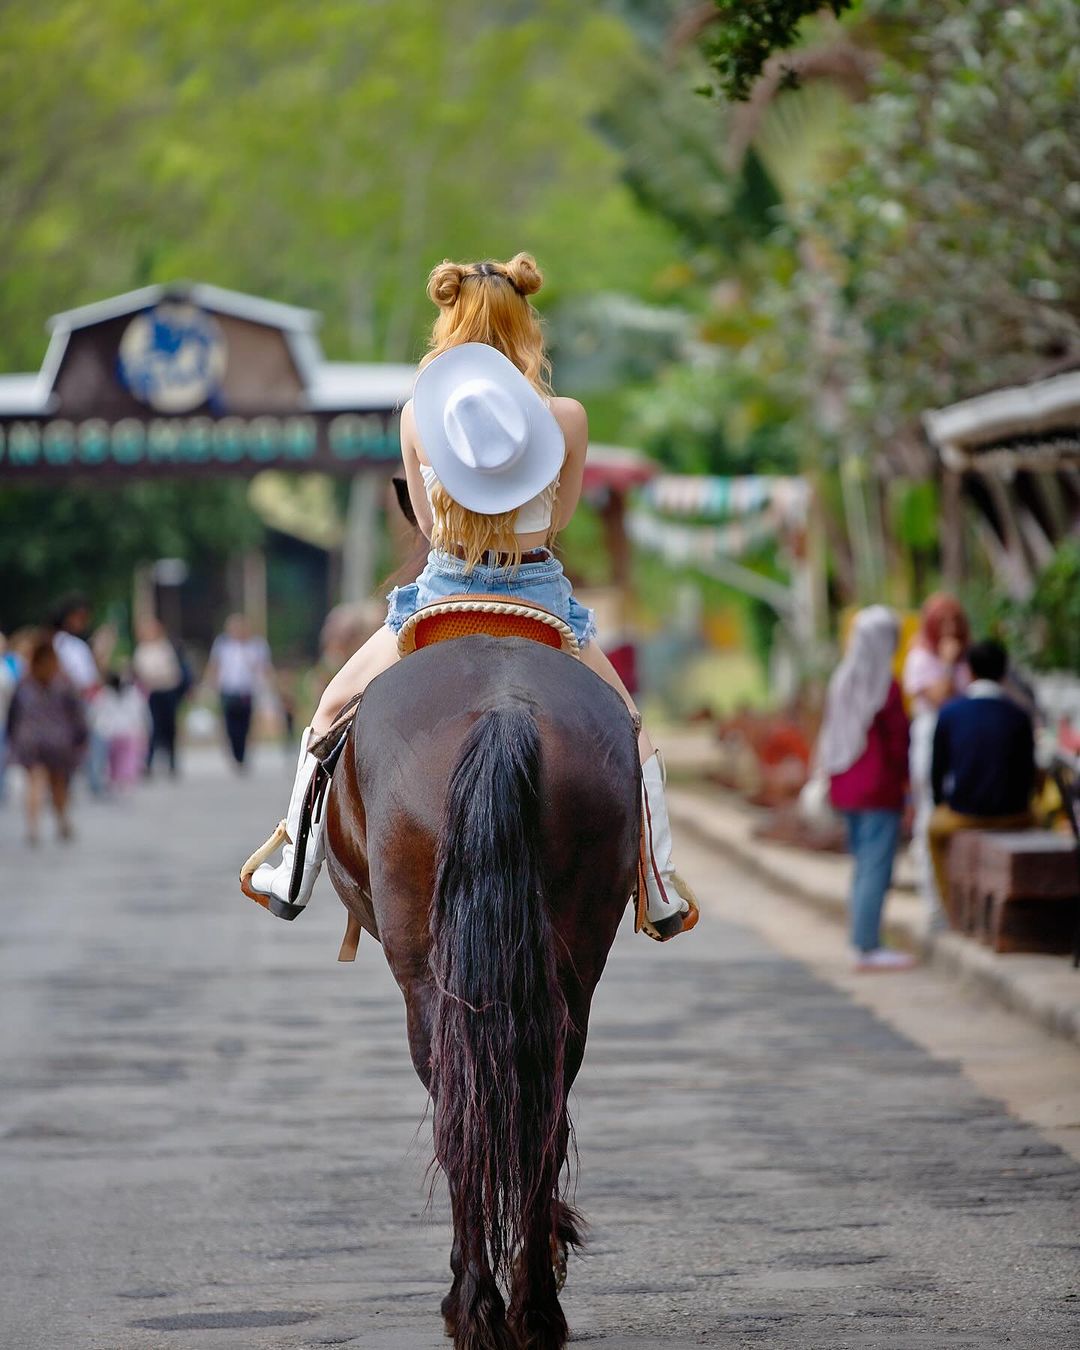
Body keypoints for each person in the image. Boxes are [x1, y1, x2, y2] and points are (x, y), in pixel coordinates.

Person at [243, 252, 695, 940]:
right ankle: (659, 888)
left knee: (331, 709)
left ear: (449, 324)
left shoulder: (419, 416)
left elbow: (426, 526)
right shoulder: (566, 417)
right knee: (633, 733)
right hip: (540, 604)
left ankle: (294, 870)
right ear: (525, 323)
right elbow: (562, 518)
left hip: (441, 599)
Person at [818, 606, 914, 972]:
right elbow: (899, 744)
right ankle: (867, 945)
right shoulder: (885, 688)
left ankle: (861, 939)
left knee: (862, 866)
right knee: (876, 867)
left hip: (844, 787)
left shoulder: (842, 679)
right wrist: (910, 787)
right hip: (878, 791)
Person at [927, 638, 1035, 906]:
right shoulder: (1019, 715)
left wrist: (941, 804)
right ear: (1003, 672)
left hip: (965, 813)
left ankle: (948, 905)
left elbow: (937, 771)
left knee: (933, 831)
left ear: (969, 671)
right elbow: (1028, 773)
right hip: (1014, 815)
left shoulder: (950, 713)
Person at [902, 593, 971, 928]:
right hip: (931, 744)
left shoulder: (964, 660)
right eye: (941, 624)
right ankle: (934, 901)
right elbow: (939, 697)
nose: (948, 631)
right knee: (931, 814)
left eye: (953, 623)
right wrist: (945, 663)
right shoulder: (921, 660)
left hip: (960, 743)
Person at [6, 634, 88, 844]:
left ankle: (33, 827)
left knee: (34, 782)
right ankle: (61, 821)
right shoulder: (63, 682)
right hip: (58, 740)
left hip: (30, 739)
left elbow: (13, 714)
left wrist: (11, 737)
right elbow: (77, 713)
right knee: (58, 783)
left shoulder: (25, 682)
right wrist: (81, 736)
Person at [205, 614, 273, 771]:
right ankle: (234, 752)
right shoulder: (222, 645)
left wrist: (267, 687)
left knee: (245, 723)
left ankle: (242, 754)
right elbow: (215, 666)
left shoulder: (256, 646)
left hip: (247, 691)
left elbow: (264, 668)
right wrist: (209, 685)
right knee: (230, 724)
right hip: (228, 690)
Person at [132, 617, 185, 777]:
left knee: (169, 727)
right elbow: (139, 671)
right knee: (152, 728)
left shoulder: (165, 648)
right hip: (151, 693)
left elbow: (174, 671)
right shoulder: (142, 650)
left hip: (167, 690)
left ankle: (172, 762)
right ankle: (148, 762)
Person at [91, 670, 150, 790]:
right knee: (125, 761)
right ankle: (121, 782)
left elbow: (95, 713)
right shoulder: (134, 695)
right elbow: (142, 714)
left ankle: (117, 782)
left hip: (111, 733)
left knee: (113, 762)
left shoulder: (104, 694)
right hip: (126, 733)